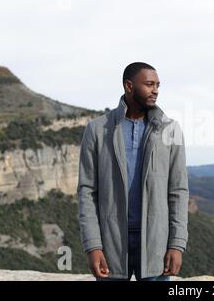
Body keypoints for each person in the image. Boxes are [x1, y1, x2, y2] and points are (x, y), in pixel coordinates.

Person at [77, 62, 189, 281]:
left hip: (156, 242)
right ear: (129, 86)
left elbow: (178, 190)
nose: (155, 90)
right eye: (149, 84)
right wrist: (93, 246)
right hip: (111, 243)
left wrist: (177, 244)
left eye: (158, 85)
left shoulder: (170, 129)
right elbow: (87, 191)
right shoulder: (98, 129)